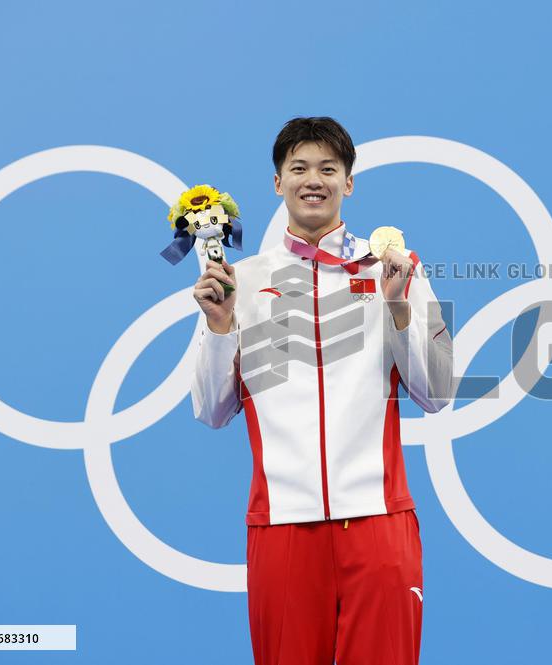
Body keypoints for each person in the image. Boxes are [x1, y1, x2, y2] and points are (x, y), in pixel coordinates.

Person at [190, 116, 453, 665]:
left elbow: (438, 391)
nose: (314, 180)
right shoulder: (238, 281)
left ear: (349, 183)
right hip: (282, 528)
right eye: (299, 168)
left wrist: (399, 305)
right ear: (277, 182)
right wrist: (219, 326)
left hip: (379, 522)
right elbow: (211, 411)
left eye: (328, 169)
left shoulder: (394, 269)